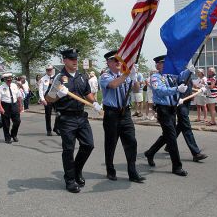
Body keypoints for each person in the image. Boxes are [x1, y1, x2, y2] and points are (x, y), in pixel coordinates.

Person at [45, 48, 100, 193]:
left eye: (76, 59)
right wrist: (58, 94)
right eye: (71, 59)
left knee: (88, 145)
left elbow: (87, 93)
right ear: (65, 61)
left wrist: (94, 103)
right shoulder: (59, 78)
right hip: (66, 118)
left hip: (81, 116)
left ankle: (76, 170)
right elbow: (48, 99)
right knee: (68, 150)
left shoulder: (82, 76)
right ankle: (70, 180)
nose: (75, 61)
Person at [100, 50, 145, 183]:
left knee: (131, 142)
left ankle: (132, 172)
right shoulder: (105, 76)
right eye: (115, 60)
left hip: (125, 113)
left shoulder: (124, 75)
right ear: (109, 62)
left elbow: (136, 89)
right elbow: (113, 85)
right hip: (111, 113)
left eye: (120, 59)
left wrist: (134, 76)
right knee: (111, 143)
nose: (119, 62)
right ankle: (110, 169)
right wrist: (127, 74)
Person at [143, 55, 189, 176]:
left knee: (167, 135)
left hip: (172, 109)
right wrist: (177, 89)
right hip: (163, 110)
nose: (165, 65)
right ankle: (177, 166)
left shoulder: (170, 75)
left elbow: (181, 75)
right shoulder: (155, 77)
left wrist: (190, 70)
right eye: (163, 63)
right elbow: (161, 91)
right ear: (158, 65)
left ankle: (150, 152)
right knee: (172, 137)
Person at [0, 73, 23, 143]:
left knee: (17, 121)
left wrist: (20, 106)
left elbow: (19, 96)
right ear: (5, 80)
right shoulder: (1, 87)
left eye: (10, 80)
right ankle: (7, 138)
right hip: (5, 105)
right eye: (7, 80)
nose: (9, 81)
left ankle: (14, 134)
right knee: (6, 123)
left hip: (14, 104)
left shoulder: (14, 86)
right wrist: (0, 108)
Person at [38, 65, 59, 136]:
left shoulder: (57, 78)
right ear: (46, 70)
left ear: (52, 70)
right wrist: (42, 99)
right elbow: (40, 90)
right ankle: (49, 130)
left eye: (50, 70)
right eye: (48, 70)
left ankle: (56, 128)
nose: (49, 71)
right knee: (48, 115)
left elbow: (59, 88)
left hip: (55, 97)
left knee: (59, 113)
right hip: (47, 98)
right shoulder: (43, 79)